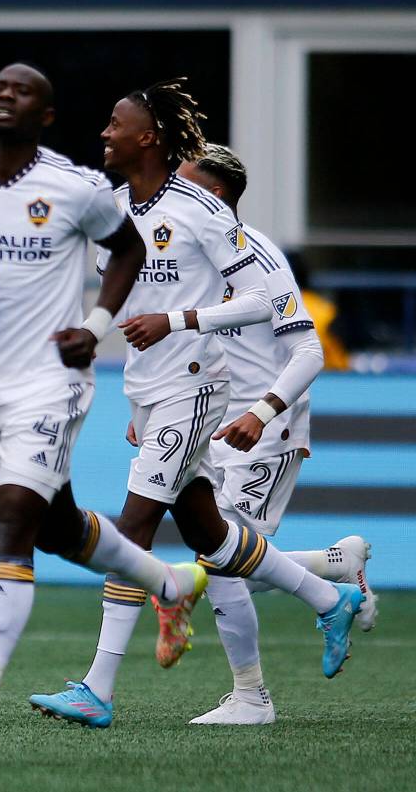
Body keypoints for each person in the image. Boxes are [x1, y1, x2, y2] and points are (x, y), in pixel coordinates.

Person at [28, 79, 364, 728]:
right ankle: (329, 597)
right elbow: (123, 302)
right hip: (154, 392)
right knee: (214, 538)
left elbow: (265, 302)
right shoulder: (116, 210)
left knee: (131, 532)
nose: (104, 133)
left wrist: (180, 322)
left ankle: (98, 686)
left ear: (147, 137)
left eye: (115, 123)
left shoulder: (202, 210)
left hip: (198, 389)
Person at [0, 62, 208, 758]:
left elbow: (128, 247)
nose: (5, 96)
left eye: (23, 92)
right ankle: (170, 581)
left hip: (53, 380)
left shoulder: (74, 188)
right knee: (56, 526)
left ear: (45, 116)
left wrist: (97, 326)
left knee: (10, 522)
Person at [170, 143, 376, 725]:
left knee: (221, 565)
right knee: (229, 562)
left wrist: (261, 412)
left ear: (212, 196)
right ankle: (334, 568)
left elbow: (307, 352)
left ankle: (253, 698)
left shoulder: (261, 259)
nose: (171, 196)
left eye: (184, 185)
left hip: (262, 430)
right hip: (213, 424)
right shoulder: (191, 255)